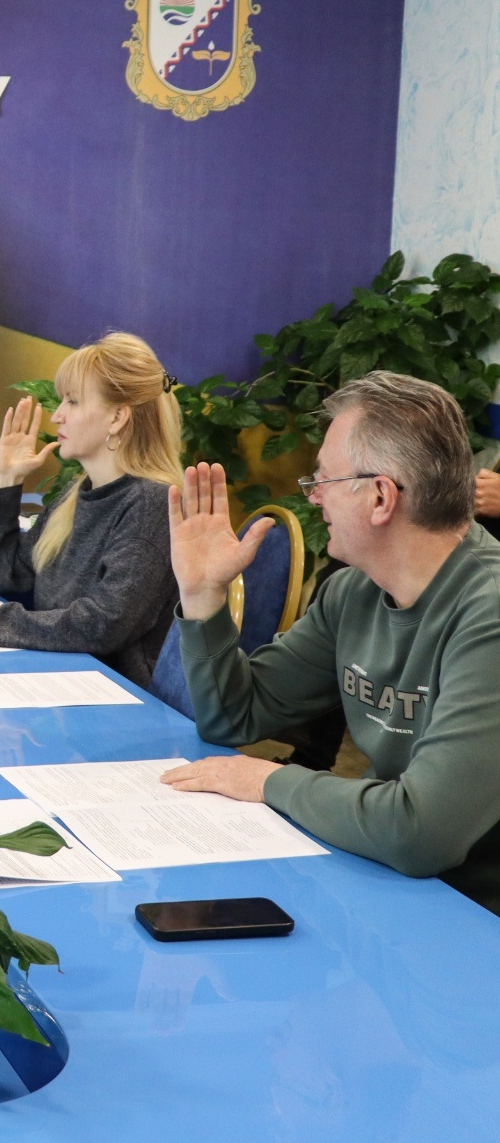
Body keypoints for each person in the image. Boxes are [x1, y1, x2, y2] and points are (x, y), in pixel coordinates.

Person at [159, 372, 500, 913]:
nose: (313, 497)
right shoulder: (353, 591)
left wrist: (270, 781)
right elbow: (233, 717)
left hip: (469, 914)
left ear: (381, 497)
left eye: (323, 480)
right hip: (385, 877)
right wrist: (202, 597)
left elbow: (422, 831)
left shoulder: (490, 611)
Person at [0, 332, 182, 687]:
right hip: (62, 679)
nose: (57, 416)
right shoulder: (75, 497)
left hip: (118, 696)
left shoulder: (152, 504)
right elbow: (2, 576)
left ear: (117, 417)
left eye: (73, 402)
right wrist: (8, 478)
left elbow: (103, 625)